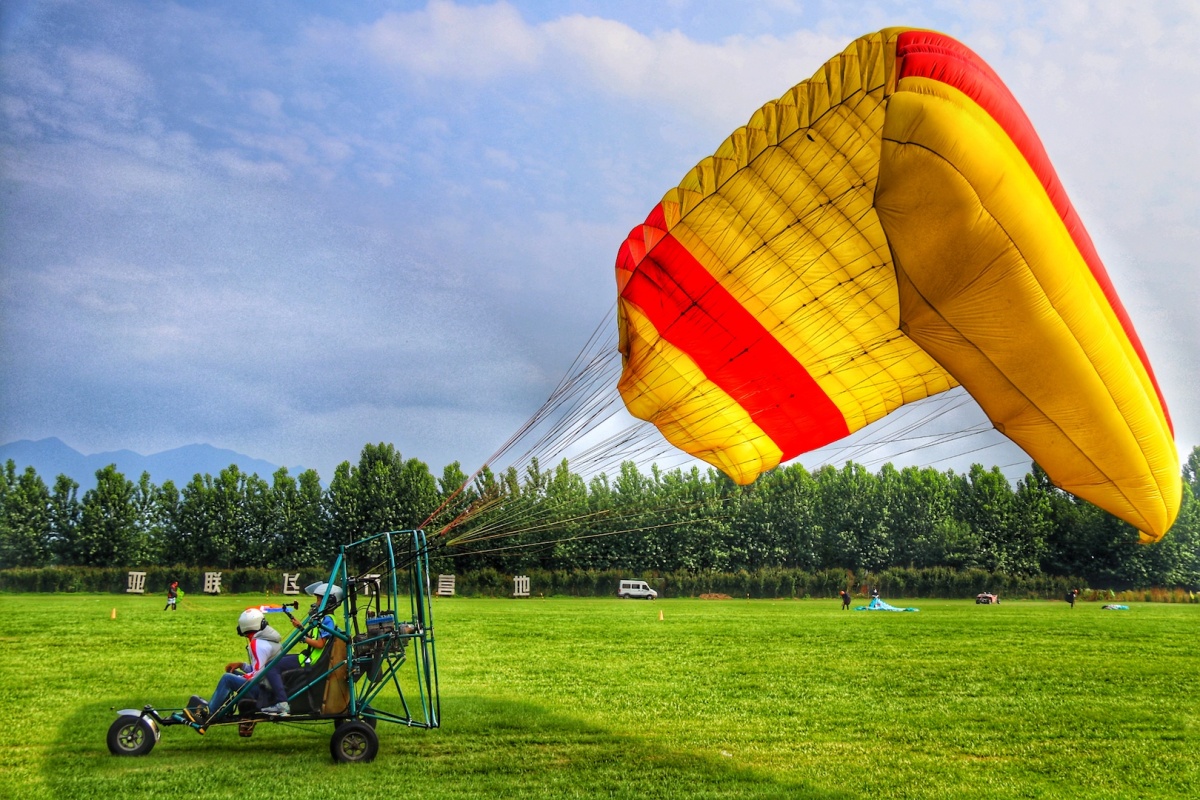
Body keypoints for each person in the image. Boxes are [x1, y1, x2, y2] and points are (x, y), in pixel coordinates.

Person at [185, 608, 283, 723]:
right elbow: (262, 668)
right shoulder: (268, 639)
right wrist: (242, 666)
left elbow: (258, 675)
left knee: (227, 679)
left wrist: (239, 678)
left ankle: (210, 714)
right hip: (270, 686)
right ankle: (220, 709)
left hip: (264, 692)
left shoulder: (258, 644)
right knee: (232, 675)